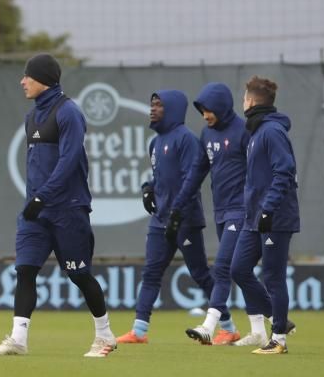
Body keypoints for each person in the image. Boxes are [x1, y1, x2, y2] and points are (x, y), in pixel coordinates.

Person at [0, 53, 116, 358]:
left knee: (79, 275)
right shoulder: (32, 117)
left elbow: (70, 161)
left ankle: (105, 336)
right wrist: (35, 201)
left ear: (43, 78)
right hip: (36, 213)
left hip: (68, 210)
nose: (22, 81)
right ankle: (18, 339)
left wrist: (43, 196)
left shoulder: (69, 112)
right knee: (25, 271)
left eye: (27, 76)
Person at [117, 90, 215, 344]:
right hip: (160, 218)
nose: (153, 109)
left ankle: (226, 325)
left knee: (200, 273)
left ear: (172, 109)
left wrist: (178, 212)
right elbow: (161, 176)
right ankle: (139, 331)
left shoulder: (187, 140)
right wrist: (148, 188)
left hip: (185, 219)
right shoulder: (156, 142)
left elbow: (190, 181)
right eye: (152, 105)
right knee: (151, 272)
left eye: (159, 105)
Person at [174, 83, 249, 345]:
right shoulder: (206, 135)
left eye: (208, 110)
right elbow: (197, 172)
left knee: (222, 267)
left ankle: (210, 326)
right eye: (201, 110)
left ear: (221, 106)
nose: (205, 115)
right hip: (221, 212)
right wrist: (178, 204)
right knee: (243, 272)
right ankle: (272, 323)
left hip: (241, 211)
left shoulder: (244, 131)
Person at [229, 76, 299, 354]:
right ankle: (280, 319)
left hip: (274, 217)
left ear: (252, 101)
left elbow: (285, 171)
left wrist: (268, 208)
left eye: (244, 97)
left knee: (273, 276)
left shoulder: (272, 132)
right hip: (254, 218)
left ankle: (279, 338)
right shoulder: (256, 133)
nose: (242, 101)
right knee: (238, 269)